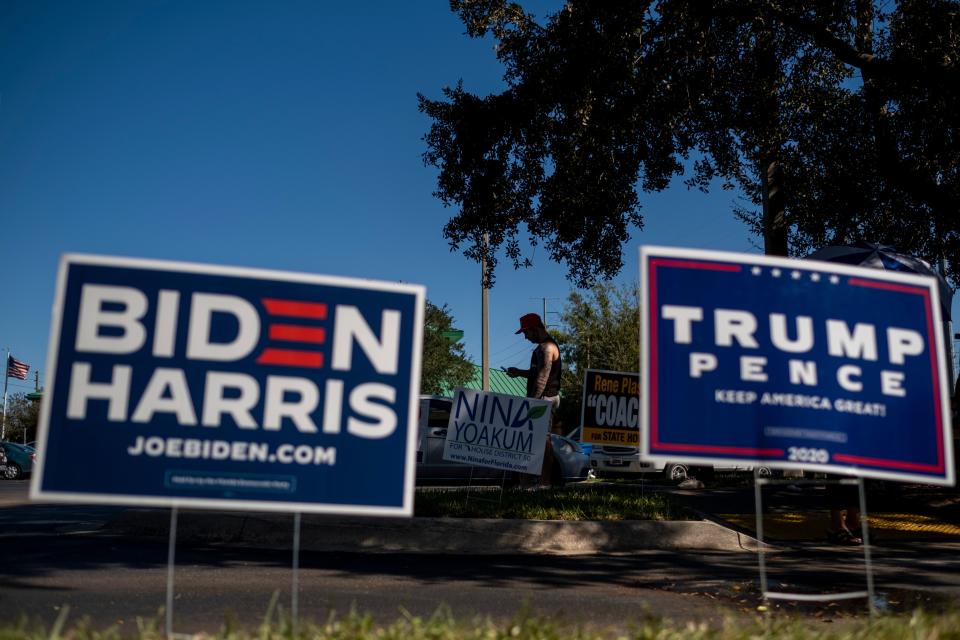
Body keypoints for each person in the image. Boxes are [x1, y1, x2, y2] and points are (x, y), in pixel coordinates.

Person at [506, 313, 562, 487]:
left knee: (543, 441)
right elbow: (536, 373)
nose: (525, 337)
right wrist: (519, 372)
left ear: (535, 329)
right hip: (541, 398)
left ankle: (544, 483)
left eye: (526, 332)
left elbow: (542, 378)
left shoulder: (548, 348)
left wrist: (532, 402)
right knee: (535, 441)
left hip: (545, 399)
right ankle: (528, 482)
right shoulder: (541, 348)